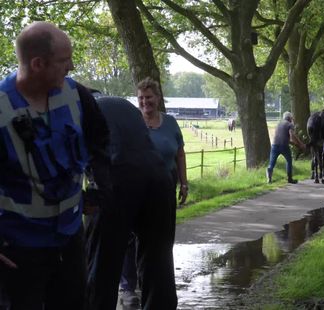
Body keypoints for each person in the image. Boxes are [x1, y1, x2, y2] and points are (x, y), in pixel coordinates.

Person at [0, 21, 111, 309]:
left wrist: (98, 188)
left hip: (70, 239)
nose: (71, 67)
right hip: (18, 249)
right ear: (38, 64)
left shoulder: (77, 95)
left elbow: (99, 143)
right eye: (64, 61)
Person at [84, 94, 177, 310]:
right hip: (159, 178)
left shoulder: (77, 108)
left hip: (118, 179)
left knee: (102, 262)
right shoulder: (122, 104)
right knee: (159, 260)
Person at [117, 77, 187, 306]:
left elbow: (179, 153)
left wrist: (184, 183)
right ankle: (128, 287)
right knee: (130, 240)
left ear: (158, 98)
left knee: (159, 243)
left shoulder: (170, 123)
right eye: (141, 98)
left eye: (149, 97)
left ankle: (158, 291)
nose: (145, 102)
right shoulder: (132, 122)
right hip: (136, 188)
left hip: (164, 188)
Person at [266, 111, 306, 184]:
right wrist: (300, 144)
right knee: (289, 161)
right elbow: (292, 136)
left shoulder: (279, 124)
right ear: (290, 118)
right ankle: (289, 178)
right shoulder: (289, 124)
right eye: (291, 118)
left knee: (272, 163)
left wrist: (296, 144)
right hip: (284, 146)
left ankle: (269, 177)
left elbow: (284, 137)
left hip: (274, 145)